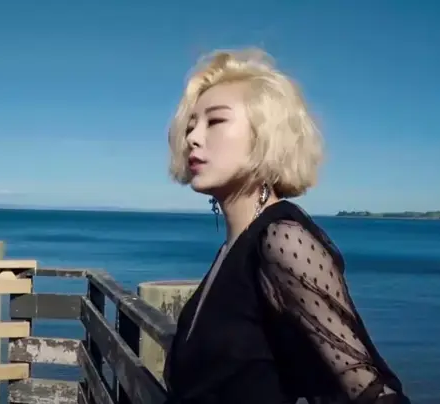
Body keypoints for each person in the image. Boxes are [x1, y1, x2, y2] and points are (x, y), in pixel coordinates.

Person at [162, 48, 410, 404]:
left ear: (265, 136)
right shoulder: (233, 247)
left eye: (215, 122)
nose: (192, 138)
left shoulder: (281, 239)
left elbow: (370, 391)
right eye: (190, 127)